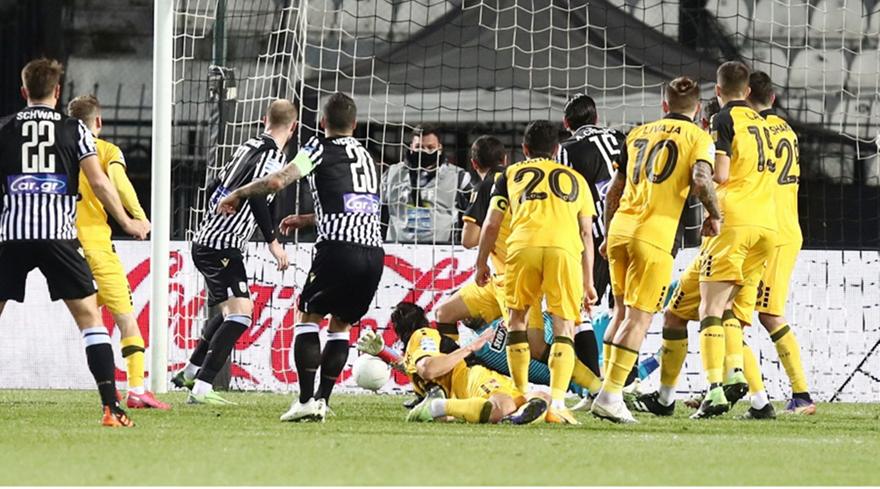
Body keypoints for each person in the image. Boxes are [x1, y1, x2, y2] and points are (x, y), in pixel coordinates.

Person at [0, 58, 150, 426]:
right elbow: (99, 182)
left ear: (23, 91)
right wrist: (127, 221)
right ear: (57, 91)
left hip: (12, 236)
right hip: (59, 238)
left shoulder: (3, 128)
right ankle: (111, 408)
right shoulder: (74, 129)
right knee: (90, 320)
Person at [218, 93, 384, 423]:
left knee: (308, 317)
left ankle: (306, 400)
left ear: (322, 123)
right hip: (373, 254)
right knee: (340, 325)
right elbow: (357, 207)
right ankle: (322, 401)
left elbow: (277, 180)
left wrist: (238, 192)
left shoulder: (318, 148)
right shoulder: (366, 156)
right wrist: (307, 219)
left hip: (338, 249)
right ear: (354, 124)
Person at [589, 77, 721, 424]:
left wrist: (608, 233)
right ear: (697, 109)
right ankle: (610, 396)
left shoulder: (636, 134)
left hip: (620, 230)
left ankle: (603, 391)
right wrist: (715, 215)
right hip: (654, 236)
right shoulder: (699, 137)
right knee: (639, 318)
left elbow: (613, 189)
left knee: (620, 313)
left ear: (664, 105)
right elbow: (701, 180)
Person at [433, 135, 603, 401]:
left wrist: (483, 258)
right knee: (445, 311)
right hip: (512, 272)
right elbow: (584, 231)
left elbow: (469, 238)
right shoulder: (562, 178)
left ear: (474, 164)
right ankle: (453, 379)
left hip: (512, 271)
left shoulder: (499, 181)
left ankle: (593, 387)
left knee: (532, 342)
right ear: (505, 157)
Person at [171, 99, 295, 405]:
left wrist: (212, 217)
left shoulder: (247, 146)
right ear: (293, 128)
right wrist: (273, 241)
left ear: (264, 119)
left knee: (229, 312)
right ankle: (202, 388)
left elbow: (216, 183)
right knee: (241, 316)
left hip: (211, 240)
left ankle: (190, 372)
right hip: (221, 246)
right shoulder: (273, 156)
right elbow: (258, 195)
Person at [475, 120, 598, 424]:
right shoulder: (577, 179)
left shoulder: (509, 175)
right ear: (556, 150)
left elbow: (491, 224)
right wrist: (589, 281)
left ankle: (520, 393)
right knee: (563, 326)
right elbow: (587, 233)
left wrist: (481, 263)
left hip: (523, 247)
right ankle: (558, 403)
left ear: (524, 149)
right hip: (564, 250)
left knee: (517, 320)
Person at [67, 95, 169, 410]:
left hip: (63, 244)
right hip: (97, 244)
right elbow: (119, 183)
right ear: (98, 121)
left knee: (88, 312)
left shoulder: (59, 149)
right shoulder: (105, 150)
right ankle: (136, 389)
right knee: (125, 316)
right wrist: (139, 218)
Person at [689, 61, 778, 419]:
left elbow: (722, 174)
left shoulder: (723, 118)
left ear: (718, 90)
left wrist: (702, 175)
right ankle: (749, 387)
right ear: (749, 91)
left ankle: (714, 390)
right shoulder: (767, 123)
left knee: (709, 309)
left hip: (735, 222)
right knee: (729, 312)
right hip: (767, 225)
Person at [729, 71, 814, 418]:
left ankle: (801, 394)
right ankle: (727, 384)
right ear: (773, 98)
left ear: (745, 94)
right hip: (780, 227)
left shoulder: (754, 131)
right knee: (732, 312)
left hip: (770, 231)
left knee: (764, 314)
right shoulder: (786, 130)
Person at [358, 302, 551, 424]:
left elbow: (418, 367)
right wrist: (470, 347)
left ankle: (511, 419)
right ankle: (436, 408)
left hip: (478, 376)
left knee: (541, 398)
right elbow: (428, 369)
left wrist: (384, 352)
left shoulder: (416, 348)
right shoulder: (424, 334)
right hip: (471, 376)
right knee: (504, 406)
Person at [380, 124, 472, 244]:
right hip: (396, 249)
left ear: (439, 148)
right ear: (411, 147)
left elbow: (474, 214)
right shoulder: (391, 174)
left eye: (430, 147)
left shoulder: (458, 176)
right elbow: (378, 212)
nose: (424, 151)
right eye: (419, 147)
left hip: (438, 250)